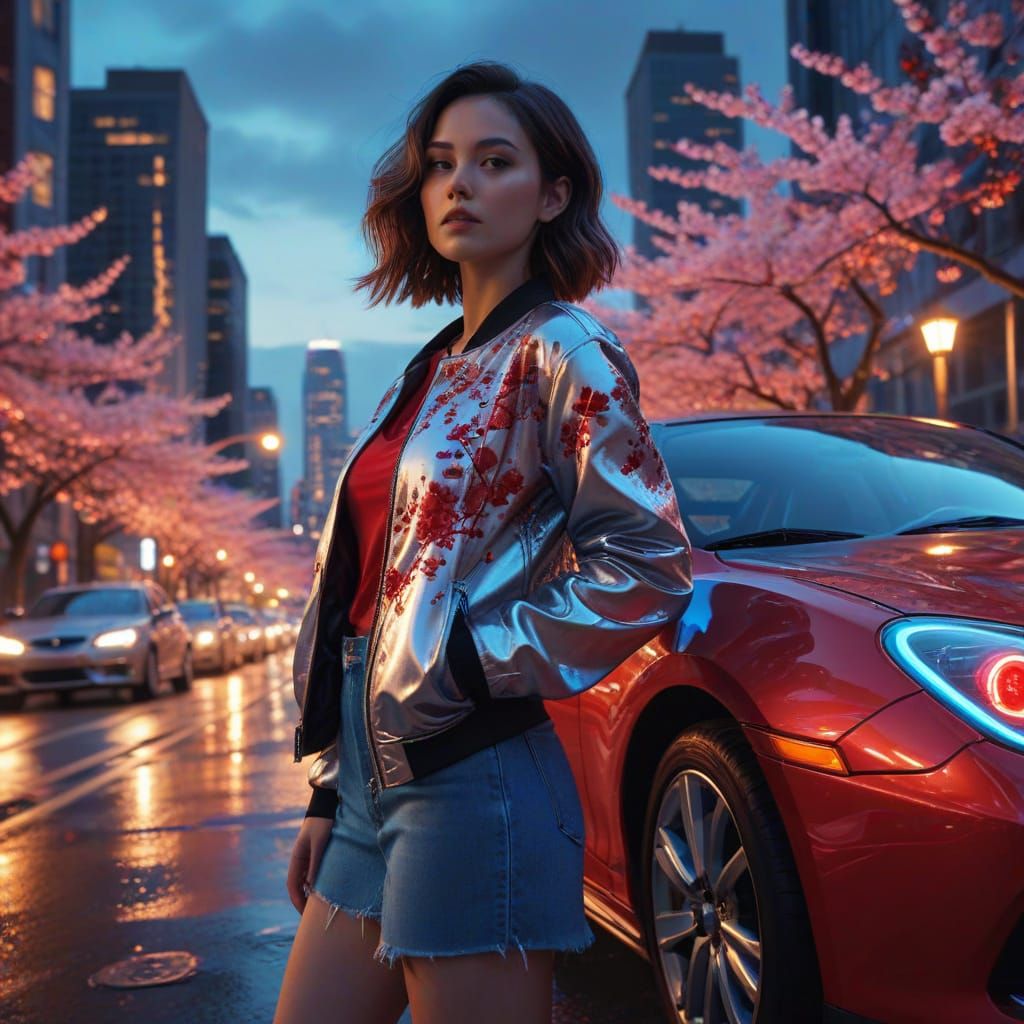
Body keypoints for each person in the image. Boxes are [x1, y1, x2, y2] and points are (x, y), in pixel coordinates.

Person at [273, 61, 692, 1024]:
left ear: (552, 195)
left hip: (477, 781)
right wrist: (332, 794)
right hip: (373, 790)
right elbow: (369, 591)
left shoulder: (567, 350)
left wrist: (471, 658)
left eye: (494, 161)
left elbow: (649, 565)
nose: (459, 183)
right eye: (440, 163)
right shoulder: (425, 371)